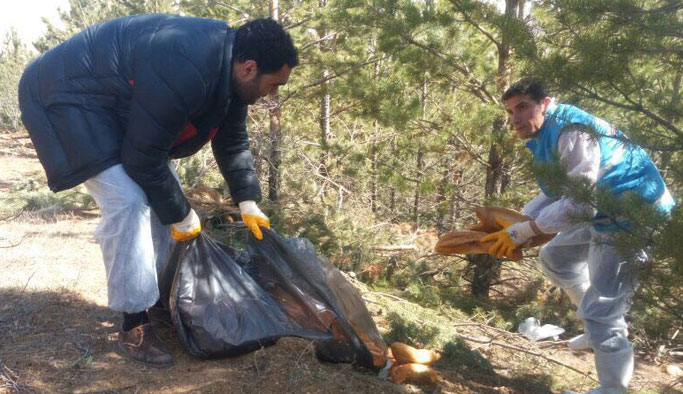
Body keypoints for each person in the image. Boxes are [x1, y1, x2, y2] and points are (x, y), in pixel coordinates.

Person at [18, 14, 298, 366]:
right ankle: (134, 322)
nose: (272, 96)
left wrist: (248, 201)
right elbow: (143, 158)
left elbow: (232, 140)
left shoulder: (230, 74)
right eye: (273, 85)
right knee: (130, 202)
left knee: (170, 196)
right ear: (249, 67)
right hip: (64, 96)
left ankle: (162, 300)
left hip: (110, 105)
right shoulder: (187, 65)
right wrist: (179, 214)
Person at [482, 79, 675, 394]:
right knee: (555, 257)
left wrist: (523, 230)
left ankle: (613, 386)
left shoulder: (571, 131)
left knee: (603, 310)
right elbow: (561, 192)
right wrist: (518, 221)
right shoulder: (549, 132)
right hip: (604, 209)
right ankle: (597, 328)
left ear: (545, 103)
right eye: (510, 111)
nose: (514, 119)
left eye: (522, 107)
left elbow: (580, 200)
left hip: (632, 219)